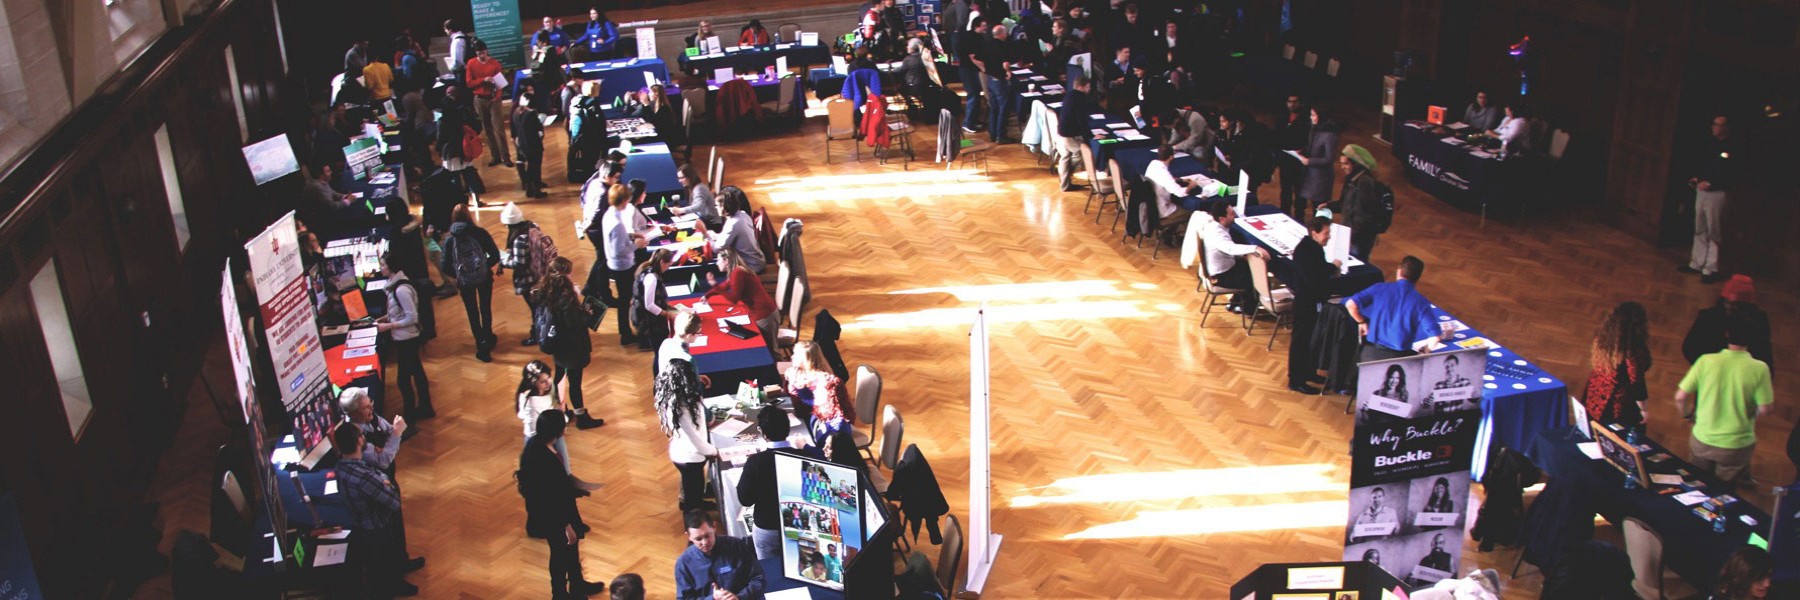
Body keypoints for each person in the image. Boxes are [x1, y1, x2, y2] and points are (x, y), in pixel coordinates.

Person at [517, 411, 607, 598]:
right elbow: (551, 496)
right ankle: (559, 593)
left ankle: (576, 584)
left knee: (569, 550)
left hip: (556, 509)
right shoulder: (545, 459)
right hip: (556, 515)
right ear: (558, 430)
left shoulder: (536, 444)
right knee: (560, 552)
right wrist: (567, 526)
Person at [1676, 315, 1774, 486]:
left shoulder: (1706, 361)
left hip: (1702, 438)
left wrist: (1687, 415)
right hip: (1736, 445)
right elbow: (1765, 409)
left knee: (1697, 483)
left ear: (1727, 335)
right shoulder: (1760, 368)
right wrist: (1748, 413)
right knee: (1724, 491)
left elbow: (1680, 397)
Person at [332, 424, 417, 596]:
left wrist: (382, 480)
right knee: (385, 564)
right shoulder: (364, 476)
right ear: (359, 440)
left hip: (362, 526)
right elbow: (393, 502)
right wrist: (387, 482)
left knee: (377, 565)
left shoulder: (341, 467)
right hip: (377, 527)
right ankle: (394, 587)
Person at [534, 257, 605, 430]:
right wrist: (586, 312)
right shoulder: (566, 297)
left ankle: (562, 410)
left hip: (559, 346)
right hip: (571, 347)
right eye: (569, 272)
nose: (572, 275)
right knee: (574, 382)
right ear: (564, 275)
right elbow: (574, 322)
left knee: (560, 377)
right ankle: (581, 416)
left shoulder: (547, 290)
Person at [736, 408, 815, 559]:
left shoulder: (755, 462)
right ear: (788, 428)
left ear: (763, 433)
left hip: (767, 527)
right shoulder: (805, 457)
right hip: (799, 525)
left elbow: (744, 499)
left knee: (769, 571)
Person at [1345, 256, 1443, 362]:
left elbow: (1350, 304)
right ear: (1417, 278)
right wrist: (1426, 349)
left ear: (1399, 271)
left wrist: (1362, 321)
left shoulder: (1379, 288)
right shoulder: (1421, 302)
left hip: (1370, 355)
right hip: (1400, 359)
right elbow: (1435, 337)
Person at [588, 184, 650, 347]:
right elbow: (619, 249)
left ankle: (626, 332)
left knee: (624, 299)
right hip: (622, 265)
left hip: (616, 263)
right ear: (623, 200)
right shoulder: (617, 223)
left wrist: (631, 235)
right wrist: (638, 244)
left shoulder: (609, 214)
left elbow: (619, 238)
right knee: (625, 300)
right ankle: (626, 334)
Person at [440, 204, 502, 361]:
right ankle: (488, 336)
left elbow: (444, 266)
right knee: (485, 307)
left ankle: (480, 344)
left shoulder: (449, 239)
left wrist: (459, 274)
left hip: (464, 282)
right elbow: (495, 255)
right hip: (483, 278)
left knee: (472, 312)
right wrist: (483, 267)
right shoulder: (480, 233)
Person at [376, 253, 434, 419]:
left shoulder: (401, 290)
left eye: (383, 265)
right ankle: (425, 407)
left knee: (403, 380)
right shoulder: (394, 287)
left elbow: (412, 317)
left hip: (408, 339)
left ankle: (410, 415)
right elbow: (399, 312)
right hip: (404, 337)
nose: (381, 268)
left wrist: (389, 326)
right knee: (417, 373)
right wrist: (386, 318)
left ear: (391, 267)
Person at [1680, 115, 1737, 283]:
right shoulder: (1708, 143)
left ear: (1726, 128)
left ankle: (1710, 268)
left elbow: (1730, 172)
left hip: (1717, 193)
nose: (1714, 128)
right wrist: (1698, 178)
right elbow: (1704, 164)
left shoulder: (1732, 147)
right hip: (1702, 191)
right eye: (1713, 124)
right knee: (1700, 227)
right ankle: (1696, 263)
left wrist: (1711, 183)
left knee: (1714, 230)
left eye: (1718, 125)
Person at [1287, 217, 1339, 394]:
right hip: (1305, 304)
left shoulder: (1313, 248)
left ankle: (1309, 372)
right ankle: (1296, 380)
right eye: (1326, 233)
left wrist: (1329, 267)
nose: (1329, 237)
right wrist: (1332, 268)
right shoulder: (1306, 251)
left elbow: (1318, 268)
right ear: (1314, 233)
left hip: (1311, 302)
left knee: (1311, 340)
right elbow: (1314, 278)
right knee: (1301, 342)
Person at [657, 356, 717, 510]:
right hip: (690, 457)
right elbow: (694, 438)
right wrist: (712, 451)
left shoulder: (672, 398)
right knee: (693, 494)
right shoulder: (683, 407)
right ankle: (692, 518)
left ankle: (695, 502)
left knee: (692, 488)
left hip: (682, 452)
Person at [1582, 302, 1652, 426]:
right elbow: (1637, 385)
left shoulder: (1602, 339)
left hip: (1594, 393)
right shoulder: (1632, 352)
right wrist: (1644, 409)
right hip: (1615, 403)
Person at [1682, 275, 1773, 370]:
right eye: (1727, 302)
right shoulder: (1708, 316)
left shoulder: (1758, 321)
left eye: (1736, 305)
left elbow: (1763, 352)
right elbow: (1689, 348)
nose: (1730, 307)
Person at [674, 510, 764, 600]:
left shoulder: (736, 546)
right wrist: (712, 598)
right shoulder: (683, 564)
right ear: (688, 536)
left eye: (707, 536)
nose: (704, 542)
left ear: (714, 526)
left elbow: (758, 579)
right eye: (698, 539)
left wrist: (739, 597)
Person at [1198, 203, 1270, 314]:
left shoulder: (1213, 225)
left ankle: (1235, 303)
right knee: (1256, 278)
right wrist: (1255, 248)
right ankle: (1248, 310)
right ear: (1222, 218)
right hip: (1221, 276)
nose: (1234, 216)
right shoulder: (1217, 233)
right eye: (1231, 214)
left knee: (1249, 267)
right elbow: (1230, 248)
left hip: (1224, 268)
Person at [707, 249, 780, 350]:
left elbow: (734, 299)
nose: (716, 263)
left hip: (765, 315)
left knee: (771, 351)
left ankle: (780, 365)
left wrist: (715, 285)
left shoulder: (738, 273)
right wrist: (707, 296)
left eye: (718, 260)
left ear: (726, 261)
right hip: (760, 313)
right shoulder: (736, 270)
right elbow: (725, 286)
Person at [786, 341, 854, 440]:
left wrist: (798, 389)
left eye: (796, 355)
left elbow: (818, 406)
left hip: (822, 423)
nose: (792, 357)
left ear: (806, 360)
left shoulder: (823, 381)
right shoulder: (797, 372)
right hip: (808, 416)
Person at [501, 203, 548, 345]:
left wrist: (503, 260)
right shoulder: (533, 226)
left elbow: (519, 264)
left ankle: (537, 335)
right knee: (539, 307)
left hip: (529, 279)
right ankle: (539, 332)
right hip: (540, 273)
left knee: (535, 309)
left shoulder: (519, 239)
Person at [465, 43, 513, 168]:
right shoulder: (471, 63)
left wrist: (496, 97)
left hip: (493, 99)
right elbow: (469, 83)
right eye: (479, 53)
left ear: (487, 51)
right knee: (487, 129)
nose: (481, 55)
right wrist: (483, 80)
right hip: (480, 99)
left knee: (499, 128)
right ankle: (495, 156)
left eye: (483, 53)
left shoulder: (495, 64)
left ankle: (506, 156)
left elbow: (500, 85)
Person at [698, 187, 766, 274]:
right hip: (758, 260)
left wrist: (704, 232)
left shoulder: (733, 223)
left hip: (751, 266)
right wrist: (715, 235)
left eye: (717, 206)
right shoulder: (743, 215)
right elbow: (731, 238)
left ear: (724, 207)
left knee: (715, 268)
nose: (716, 208)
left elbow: (717, 248)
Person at [1337, 144, 1386, 261]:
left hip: (1358, 239)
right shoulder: (1352, 179)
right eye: (1341, 163)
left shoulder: (1364, 183)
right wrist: (1328, 206)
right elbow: (1344, 204)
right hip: (1351, 235)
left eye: (1346, 164)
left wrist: (1350, 238)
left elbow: (1363, 216)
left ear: (1356, 164)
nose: (1342, 167)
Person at [1056, 76, 1098, 191]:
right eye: (1088, 87)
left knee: (1065, 157)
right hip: (1068, 134)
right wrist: (1091, 136)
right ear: (1081, 87)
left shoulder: (1069, 95)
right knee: (1080, 153)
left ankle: (1064, 183)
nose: (1089, 89)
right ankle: (1066, 176)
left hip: (1061, 131)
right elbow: (1081, 120)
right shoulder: (1079, 98)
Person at [1297, 108, 1342, 211]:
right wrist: (1302, 151)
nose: (1311, 118)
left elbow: (1329, 158)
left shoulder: (1330, 135)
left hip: (1321, 177)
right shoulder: (1315, 129)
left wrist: (1309, 161)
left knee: (1320, 208)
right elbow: (1313, 147)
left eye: (1313, 115)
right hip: (1310, 174)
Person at [631, 248, 676, 351]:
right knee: (659, 350)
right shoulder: (652, 278)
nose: (668, 268)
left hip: (648, 318)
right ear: (662, 262)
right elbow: (649, 305)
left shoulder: (647, 270)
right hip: (650, 322)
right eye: (668, 265)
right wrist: (667, 314)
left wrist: (667, 306)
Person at [956, 16, 989, 134]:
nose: (986, 27)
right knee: (973, 95)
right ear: (977, 26)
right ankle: (968, 123)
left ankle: (974, 120)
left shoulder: (978, 36)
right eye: (984, 25)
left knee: (976, 95)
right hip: (968, 70)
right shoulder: (971, 38)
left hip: (972, 70)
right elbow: (973, 58)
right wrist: (984, 69)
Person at [512, 93, 548, 198]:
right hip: (533, 144)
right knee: (535, 167)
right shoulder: (531, 114)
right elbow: (537, 128)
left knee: (530, 166)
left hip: (521, 143)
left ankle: (529, 187)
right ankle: (536, 190)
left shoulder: (516, 112)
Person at [670, 164, 719, 228]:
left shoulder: (699, 188)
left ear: (690, 176)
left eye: (682, 178)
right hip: (703, 218)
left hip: (712, 223)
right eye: (679, 178)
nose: (680, 181)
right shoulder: (692, 187)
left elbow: (700, 206)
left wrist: (681, 210)